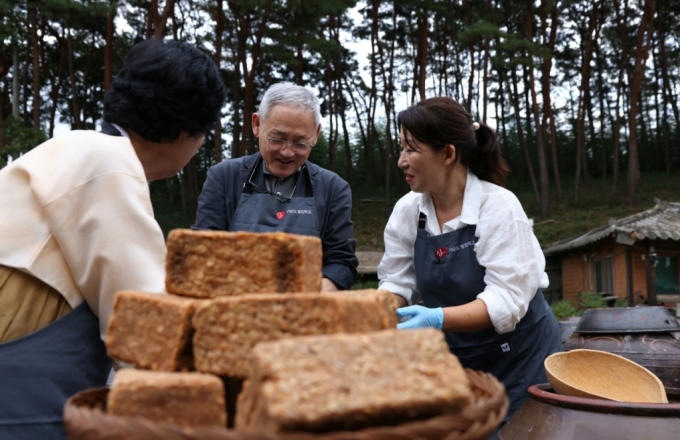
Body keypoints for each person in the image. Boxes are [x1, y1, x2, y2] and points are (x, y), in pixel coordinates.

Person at [0, 38, 226, 439]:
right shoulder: (106, 162)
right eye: (204, 132)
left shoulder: (73, 152)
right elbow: (148, 327)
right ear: (183, 130)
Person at [378, 97, 562, 428]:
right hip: (460, 361)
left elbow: (506, 299)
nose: (401, 161)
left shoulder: (499, 208)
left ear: (447, 154)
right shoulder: (408, 212)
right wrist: (383, 313)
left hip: (521, 359)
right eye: (401, 148)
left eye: (411, 149)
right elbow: (396, 279)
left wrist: (435, 318)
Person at [193, 82, 358, 291]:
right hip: (233, 307)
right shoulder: (224, 178)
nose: (287, 152)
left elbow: (342, 264)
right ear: (256, 125)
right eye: (277, 139)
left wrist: (311, 297)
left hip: (303, 312)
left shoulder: (333, 188)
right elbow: (201, 253)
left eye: (300, 143)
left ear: (316, 134)